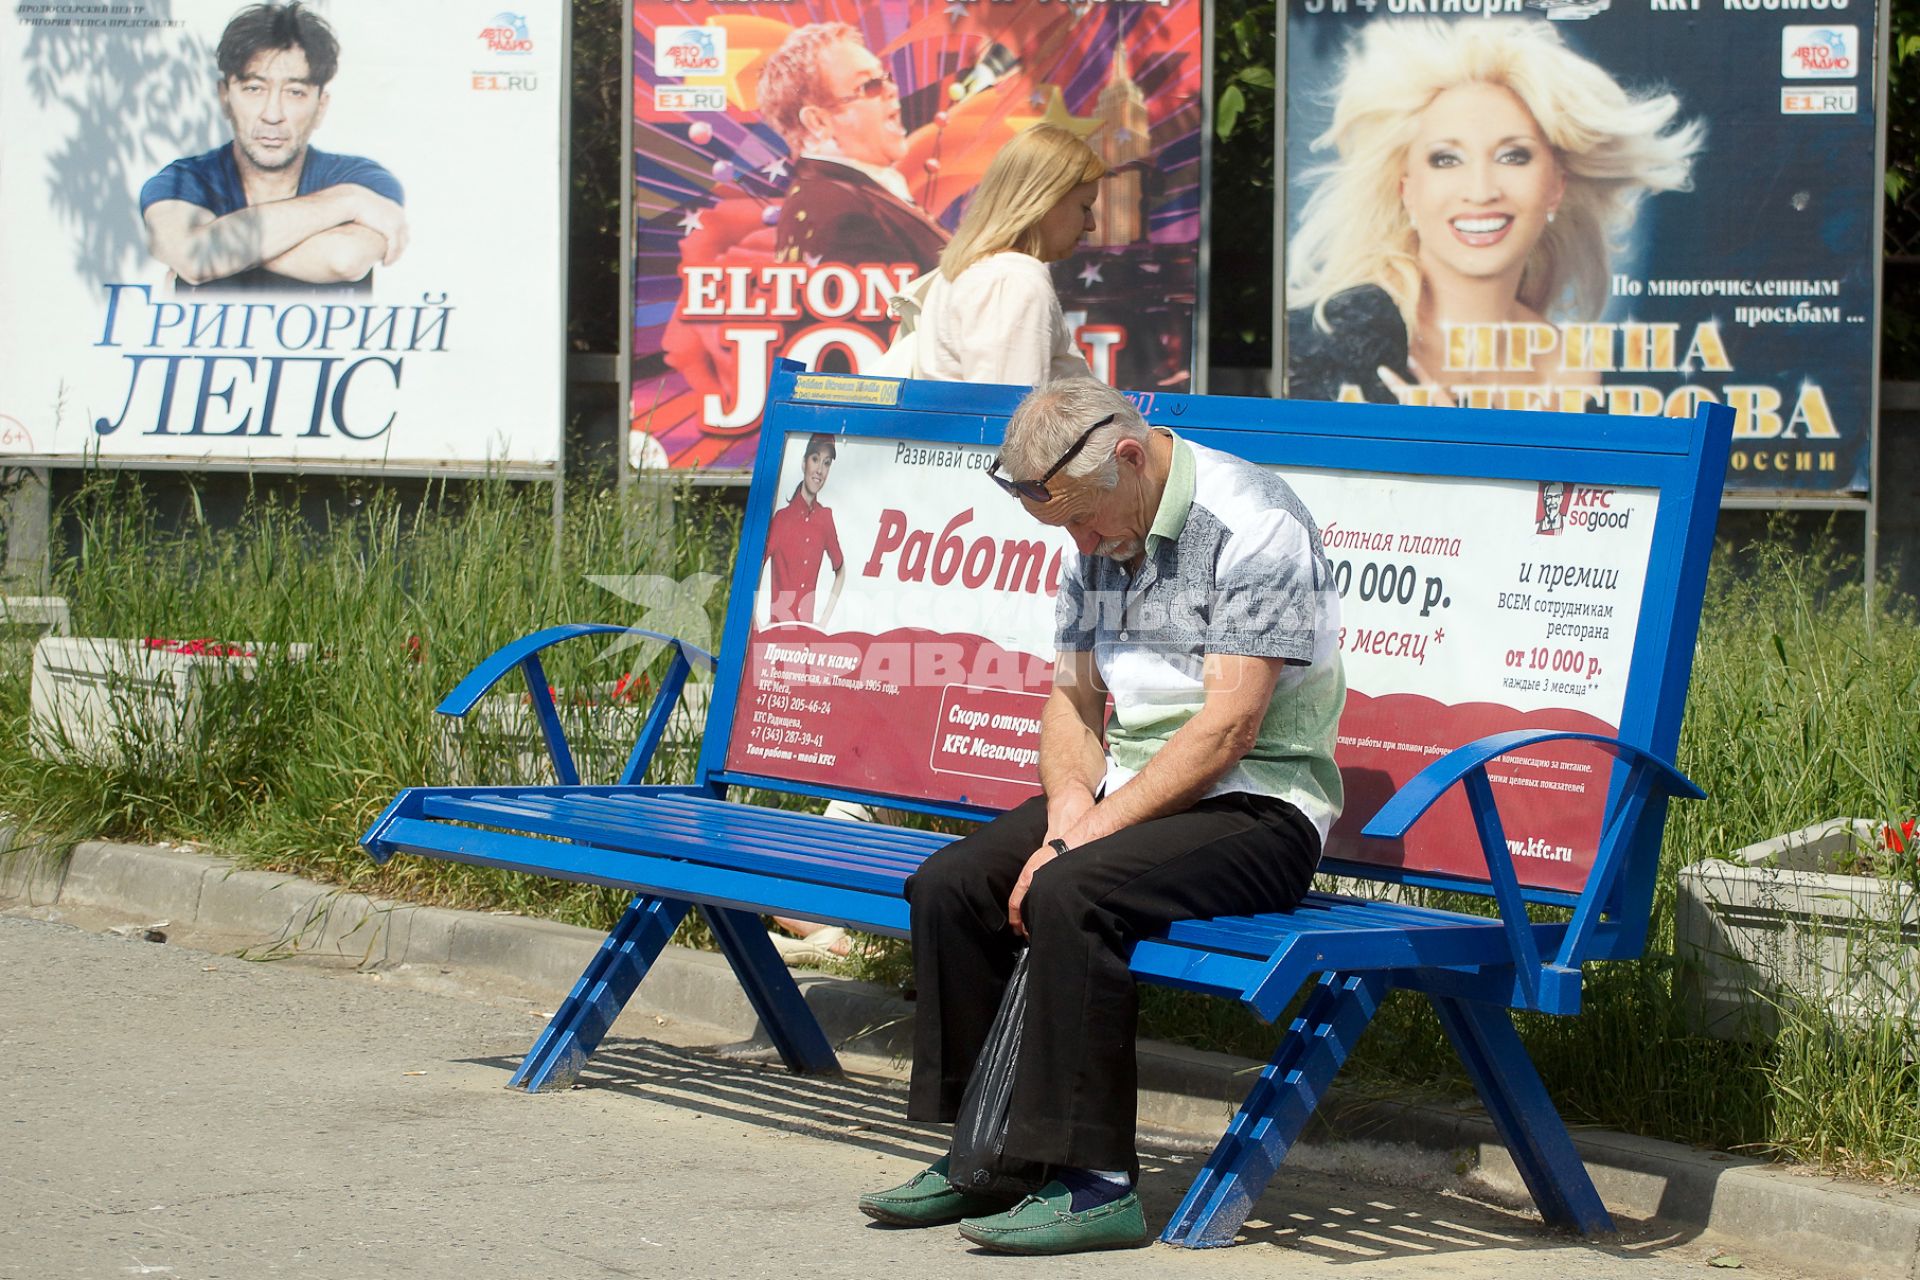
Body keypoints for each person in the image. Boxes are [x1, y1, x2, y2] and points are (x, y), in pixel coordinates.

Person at [858, 377, 1346, 1253]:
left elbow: (1229, 730)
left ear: (1129, 453)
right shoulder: (1100, 518)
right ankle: (990, 1155)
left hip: (1261, 806)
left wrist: (1080, 842)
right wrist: (1062, 822)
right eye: (1066, 528)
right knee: (953, 885)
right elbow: (1074, 701)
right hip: (1136, 786)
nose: (1080, 544)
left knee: (1075, 893)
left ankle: (1097, 1185)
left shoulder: (1256, 523)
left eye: (1084, 520)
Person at [1284, 19, 1701, 406]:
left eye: (1513, 156)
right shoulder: (1343, 330)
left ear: (1556, 187)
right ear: (1406, 191)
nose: (1481, 191)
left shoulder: (1565, 369)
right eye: (1446, 159)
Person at [139, 2, 407, 293]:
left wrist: (216, 242)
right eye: (254, 88)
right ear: (225, 97)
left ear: (320, 107)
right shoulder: (185, 179)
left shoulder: (361, 178)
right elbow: (194, 257)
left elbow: (344, 258)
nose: (272, 114)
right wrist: (348, 202)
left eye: (295, 92)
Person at [911, 124, 1105, 386]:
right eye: (1084, 207)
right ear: (1044, 199)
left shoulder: (977, 271)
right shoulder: (1013, 279)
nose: (1090, 224)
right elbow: (1008, 414)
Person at [756, 23, 949, 273]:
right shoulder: (840, 215)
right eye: (869, 86)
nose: (891, 90)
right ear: (818, 122)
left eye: (885, 77)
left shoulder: (843, 195)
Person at [758, 433, 846, 629]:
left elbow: (840, 570)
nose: (820, 470)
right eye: (815, 459)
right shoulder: (781, 520)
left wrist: (822, 624)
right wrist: (756, 625)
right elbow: (755, 571)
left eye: (827, 463)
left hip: (806, 640)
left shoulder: (825, 518)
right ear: (804, 462)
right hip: (777, 637)